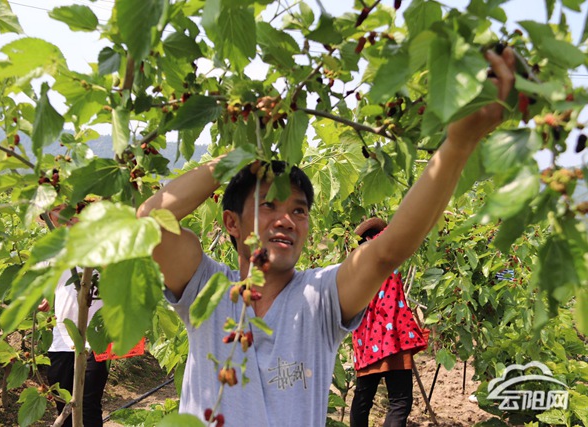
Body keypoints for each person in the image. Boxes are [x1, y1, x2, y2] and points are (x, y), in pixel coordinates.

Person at [136, 48, 516, 427]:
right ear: (232, 224)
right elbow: (150, 221)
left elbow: (387, 251)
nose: (286, 220)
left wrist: (459, 143)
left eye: (298, 210)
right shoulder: (208, 291)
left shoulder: (319, 298)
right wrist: (237, 157)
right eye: (269, 205)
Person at [349, 217, 427, 427]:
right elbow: (400, 228)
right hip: (393, 337)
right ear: (373, 238)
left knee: (362, 399)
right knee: (400, 401)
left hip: (366, 341)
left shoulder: (351, 268)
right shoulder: (386, 256)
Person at [37, 205, 109, 427]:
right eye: (57, 210)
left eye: (70, 208)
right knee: (64, 404)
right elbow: (50, 286)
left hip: (97, 337)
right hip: (62, 338)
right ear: (50, 218)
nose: (65, 215)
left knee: (88, 404)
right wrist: (46, 299)